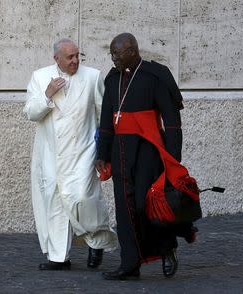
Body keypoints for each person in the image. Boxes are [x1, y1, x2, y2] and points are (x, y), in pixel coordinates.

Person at [96, 33, 197, 280]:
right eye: (111, 54)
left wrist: (173, 157)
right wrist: (102, 154)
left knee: (146, 204)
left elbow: (172, 122)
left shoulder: (156, 76)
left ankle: (167, 247)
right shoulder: (112, 79)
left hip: (148, 150)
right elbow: (107, 121)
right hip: (120, 151)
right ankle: (129, 265)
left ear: (131, 51)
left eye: (116, 54)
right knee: (124, 209)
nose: (113, 58)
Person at [23, 38, 117, 271]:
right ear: (56, 59)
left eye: (78, 56)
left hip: (83, 152)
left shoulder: (93, 76)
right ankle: (58, 257)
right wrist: (47, 95)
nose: (75, 60)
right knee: (55, 201)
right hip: (51, 154)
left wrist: (103, 151)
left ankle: (97, 242)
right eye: (70, 57)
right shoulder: (40, 77)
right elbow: (31, 113)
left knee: (84, 198)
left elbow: (102, 115)